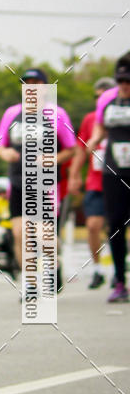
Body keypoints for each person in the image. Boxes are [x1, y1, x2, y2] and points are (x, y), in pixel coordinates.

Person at [0, 68, 76, 283]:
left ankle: (55, 263)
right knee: (21, 235)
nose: (31, 87)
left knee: (43, 236)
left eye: (36, 83)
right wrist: (6, 153)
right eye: (27, 83)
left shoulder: (57, 114)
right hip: (18, 182)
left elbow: (71, 148)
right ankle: (29, 282)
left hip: (45, 184)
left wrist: (52, 159)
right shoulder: (12, 113)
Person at [87, 53, 130, 303]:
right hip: (113, 170)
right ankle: (120, 281)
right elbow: (100, 126)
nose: (125, 86)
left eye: (129, 82)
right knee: (115, 225)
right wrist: (95, 139)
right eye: (122, 81)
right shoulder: (108, 100)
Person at [68, 77, 116, 288]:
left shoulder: (122, 116)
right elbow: (80, 150)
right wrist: (74, 175)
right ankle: (98, 269)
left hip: (120, 180)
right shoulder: (90, 120)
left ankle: (119, 270)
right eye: (98, 97)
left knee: (117, 227)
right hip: (96, 181)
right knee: (92, 226)